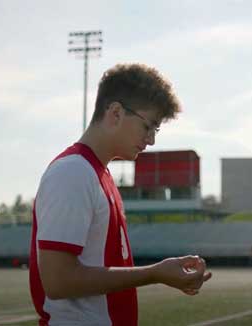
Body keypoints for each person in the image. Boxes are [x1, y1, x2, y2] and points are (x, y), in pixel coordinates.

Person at [29, 63, 212, 326]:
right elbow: (59, 281)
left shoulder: (98, 174)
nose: (151, 140)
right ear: (115, 113)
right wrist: (155, 274)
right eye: (148, 126)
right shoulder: (73, 172)